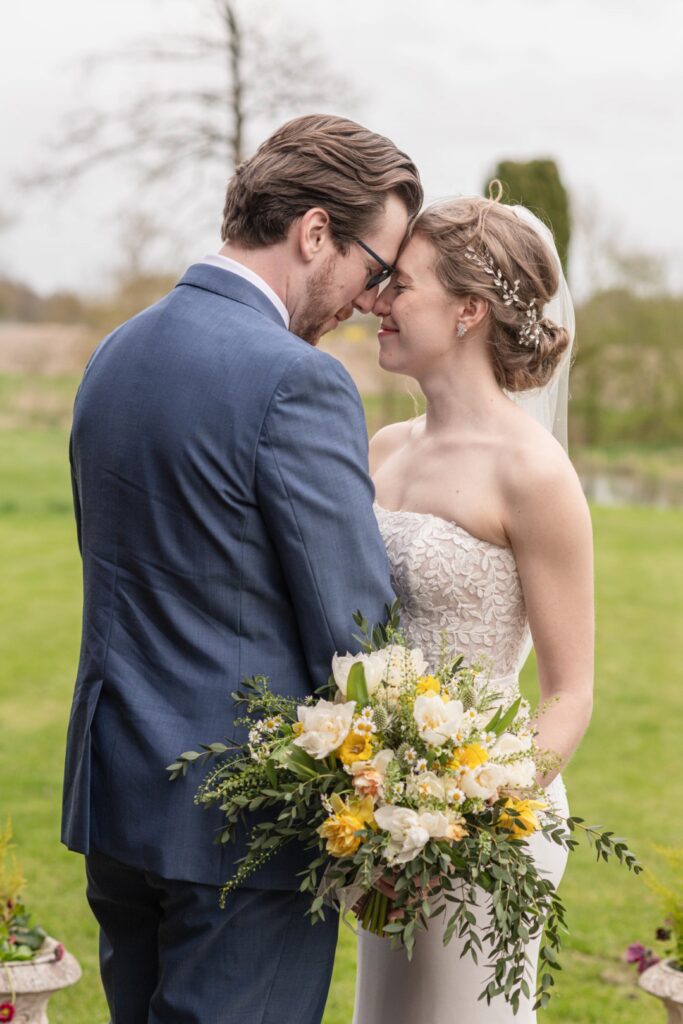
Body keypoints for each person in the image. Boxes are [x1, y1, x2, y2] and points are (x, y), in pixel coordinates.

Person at [61, 113, 422, 1024]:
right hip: (242, 823)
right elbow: (357, 624)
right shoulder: (296, 379)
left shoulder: (115, 352)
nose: (368, 300)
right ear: (312, 233)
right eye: (373, 269)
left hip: (117, 797)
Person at [353, 194, 594, 1023]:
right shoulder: (382, 447)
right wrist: (372, 800)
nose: (375, 301)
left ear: (468, 310)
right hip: (377, 806)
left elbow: (569, 694)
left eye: (398, 285)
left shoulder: (535, 474)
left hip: (485, 823)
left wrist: (467, 814)